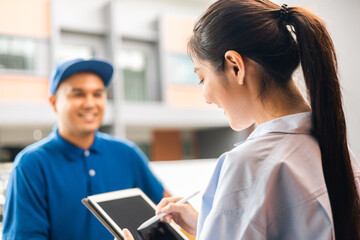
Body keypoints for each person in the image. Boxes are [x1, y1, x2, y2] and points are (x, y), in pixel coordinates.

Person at [122, 0, 360, 239]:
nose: (206, 97)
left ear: (235, 66)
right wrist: (209, 223)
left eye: (202, 78)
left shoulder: (250, 164)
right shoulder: (337, 148)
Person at [2, 58, 165, 240]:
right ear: (54, 102)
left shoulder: (128, 154)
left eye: (97, 94)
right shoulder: (31, 164)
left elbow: (162, 219)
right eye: (78, 94)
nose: (90, 103)